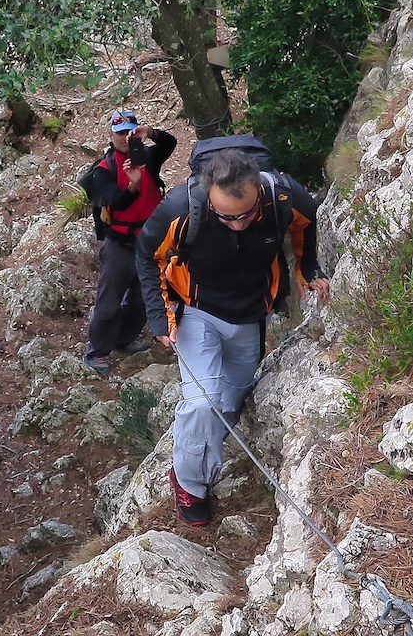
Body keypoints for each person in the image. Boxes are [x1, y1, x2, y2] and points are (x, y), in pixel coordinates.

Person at [136, 141, 327, 526]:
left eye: (246, 215)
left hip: (251, 316)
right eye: (226, 218)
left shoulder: (282, 195)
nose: (237, 224)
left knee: (227, 406)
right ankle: (189, 482)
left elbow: (308, 224)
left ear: (260, 190)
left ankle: (196, 463)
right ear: (209, 196)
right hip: (197, 313)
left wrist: (308, 267)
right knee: (203, 403)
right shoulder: (180, 207)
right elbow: (147, 255)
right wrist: (160, 319)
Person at [78, 108, 179, 375]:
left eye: (130, 132)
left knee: (142, 299)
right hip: (120, 243)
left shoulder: (147, 156)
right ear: (110, 135)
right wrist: (133, 185)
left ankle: (124, 339)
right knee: (109, 302)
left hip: (151, 241)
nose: (126, 138)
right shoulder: (103, 169)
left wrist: (151, 133)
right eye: (120, 133)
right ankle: (97, 351)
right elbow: (115, 201)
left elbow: (170, 144)